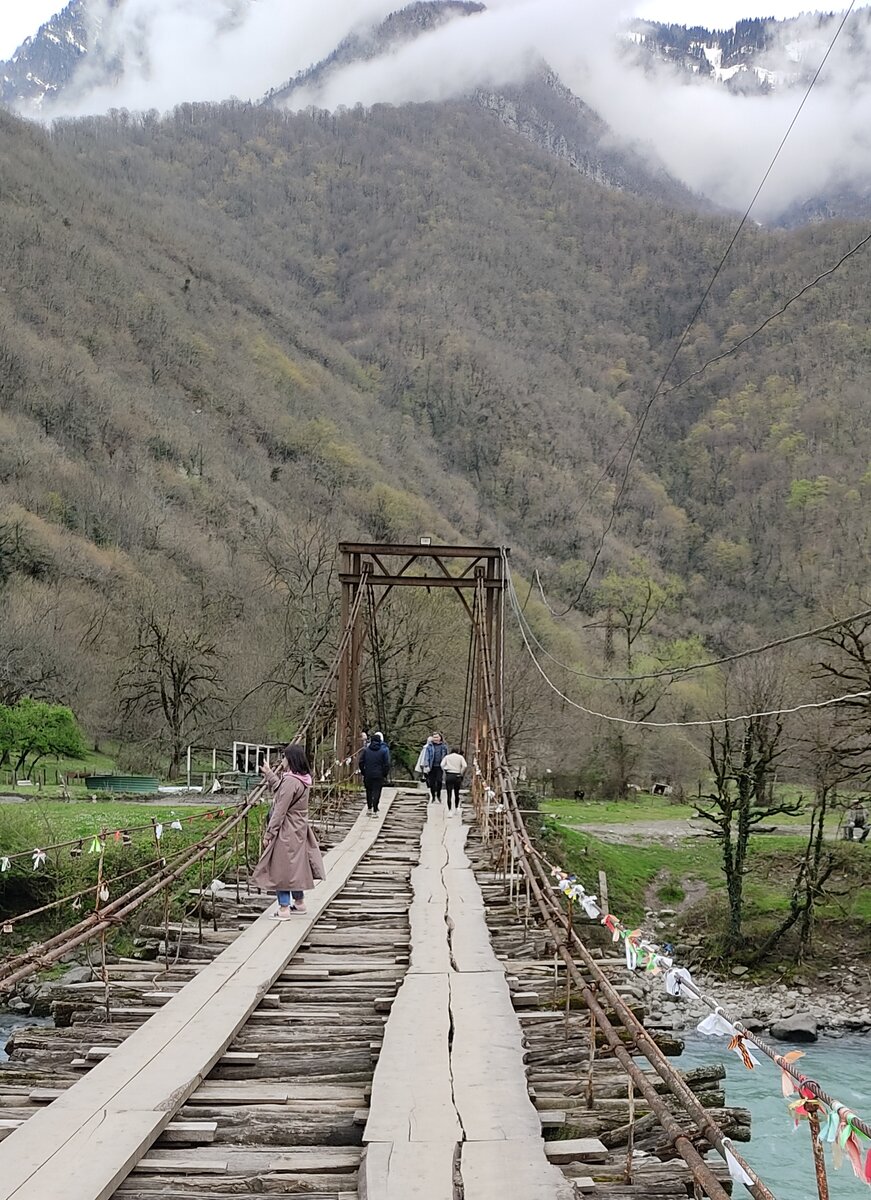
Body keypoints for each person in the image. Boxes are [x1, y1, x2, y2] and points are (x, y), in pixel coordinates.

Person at [251, 744, 325, 919]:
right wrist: (269, 773)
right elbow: (284, 791)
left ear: (290, 759)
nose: (282, 760)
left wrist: (269, 834)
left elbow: (280, 810)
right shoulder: (302, 779)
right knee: (294, 865)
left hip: (286, 830)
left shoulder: (291, 781)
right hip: (299, 829)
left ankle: (283, 908)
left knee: (281, 867)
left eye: (284, 757)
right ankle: (299, 902)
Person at [358, 731, 390, 816]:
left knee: (369, 791)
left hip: (368, 774)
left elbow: (361, 762)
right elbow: (386, 764)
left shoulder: (366, 750)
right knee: (377, 791)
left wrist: (363, 771)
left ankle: (369, 807)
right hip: (379, 774)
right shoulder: (383, 751)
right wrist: (384, 774)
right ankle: (375, 809)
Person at [421, 731, 449, 803]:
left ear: (440, 738)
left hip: (440, 766)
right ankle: (433, 796)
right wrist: (426, 765)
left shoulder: (444, 746)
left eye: (437, 737)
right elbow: (426, 756)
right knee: (432, 782)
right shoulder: (429, 747)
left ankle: (438, 795)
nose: (435, 739)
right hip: (431, 766)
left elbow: (446, 756)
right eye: (434, 737)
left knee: (439, 781)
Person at [441, 747, 468, 813]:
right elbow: (465, 766)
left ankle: (449, 809)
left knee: (449, 793)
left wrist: (445, 770)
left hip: (449, 774)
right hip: (457, 775)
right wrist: (461, 772)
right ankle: (456, 807)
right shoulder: (460, 757)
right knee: (456, 792)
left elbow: (441, 764)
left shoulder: (447, 757)